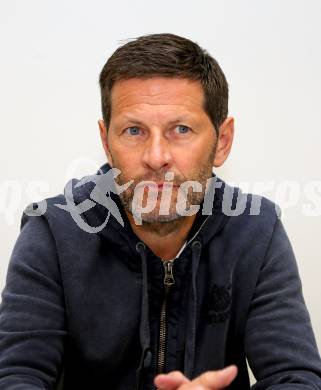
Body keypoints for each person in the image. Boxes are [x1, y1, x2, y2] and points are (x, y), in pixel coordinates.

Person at [0, 33, 320, 390]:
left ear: (222, 142)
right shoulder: (53, 234)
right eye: (134, 131)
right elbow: (15, 378)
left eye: (180, 130)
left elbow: (295, 379)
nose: (156, 157)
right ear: (107, 143)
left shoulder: (256, 233)